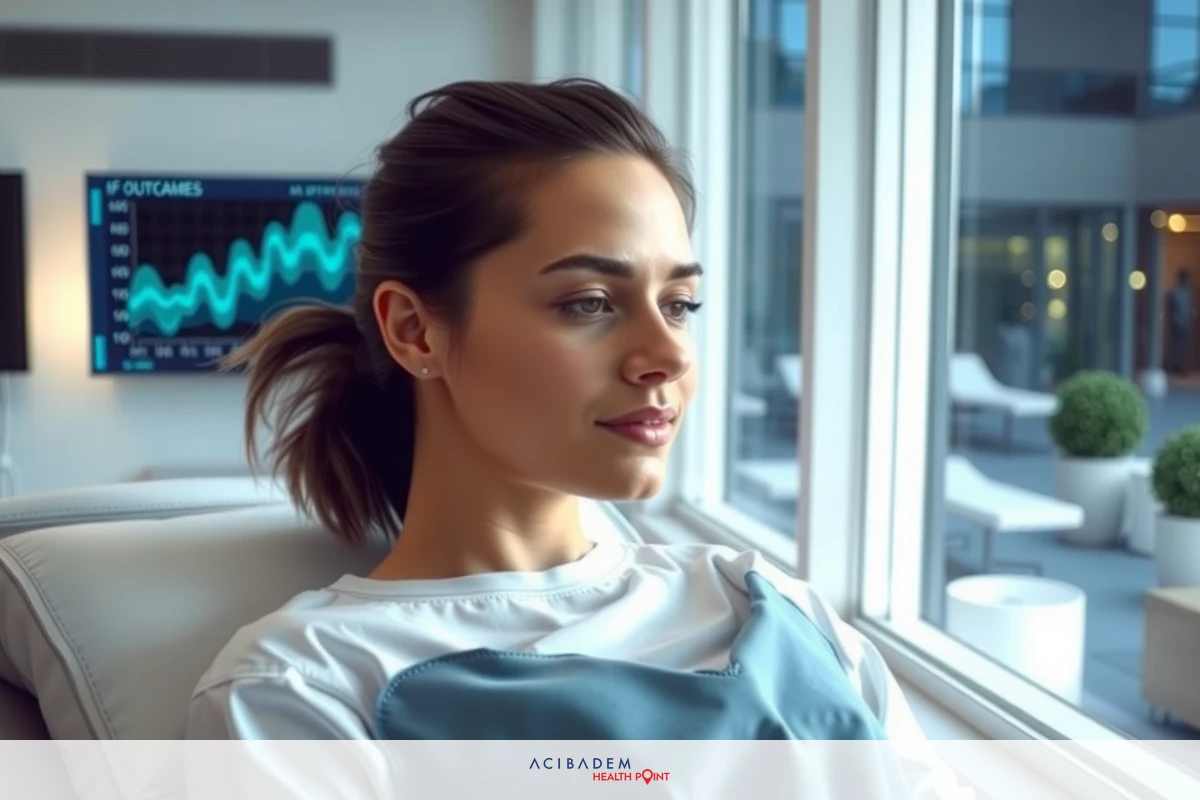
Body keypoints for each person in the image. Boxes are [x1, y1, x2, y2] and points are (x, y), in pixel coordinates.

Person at [183, 78, 959, 792]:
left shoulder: (766, 603)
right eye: (589, 302)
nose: (667, 355)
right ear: (415, 331)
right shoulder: (301, 689)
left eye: (679, 304)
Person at [1168, 269, 1194, 374]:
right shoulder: (1176, 291)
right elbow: (1175, 308)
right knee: (1176, 346)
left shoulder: (1188, 292)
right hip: (1178, 322)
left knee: (1182, 346)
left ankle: (1180, 366)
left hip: (1185, 323)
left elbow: (1189, 308)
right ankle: (1175, 366)